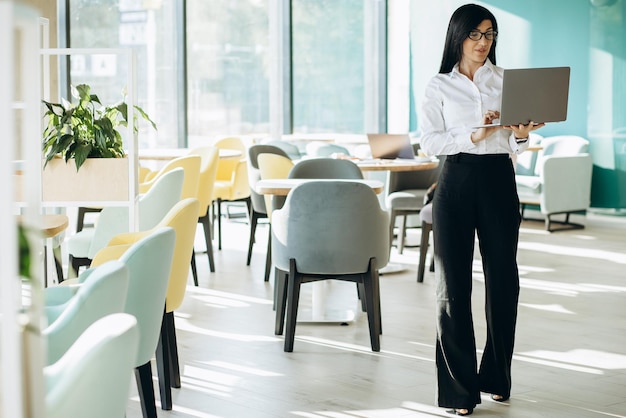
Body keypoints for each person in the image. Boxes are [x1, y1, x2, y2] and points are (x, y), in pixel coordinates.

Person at [418, 4, 544, 416]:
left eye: (489, 34)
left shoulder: (507, 82)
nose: (482, 42)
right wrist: (475, 132)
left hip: (497, 180)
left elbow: (514, 147)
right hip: (454, 181)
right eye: (475, 34)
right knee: (452, 289)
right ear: (458, 36)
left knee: (503, 281)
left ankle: (496, 377)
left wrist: (520, 135)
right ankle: (459, 391)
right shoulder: (439, 85)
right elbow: (431, 143)